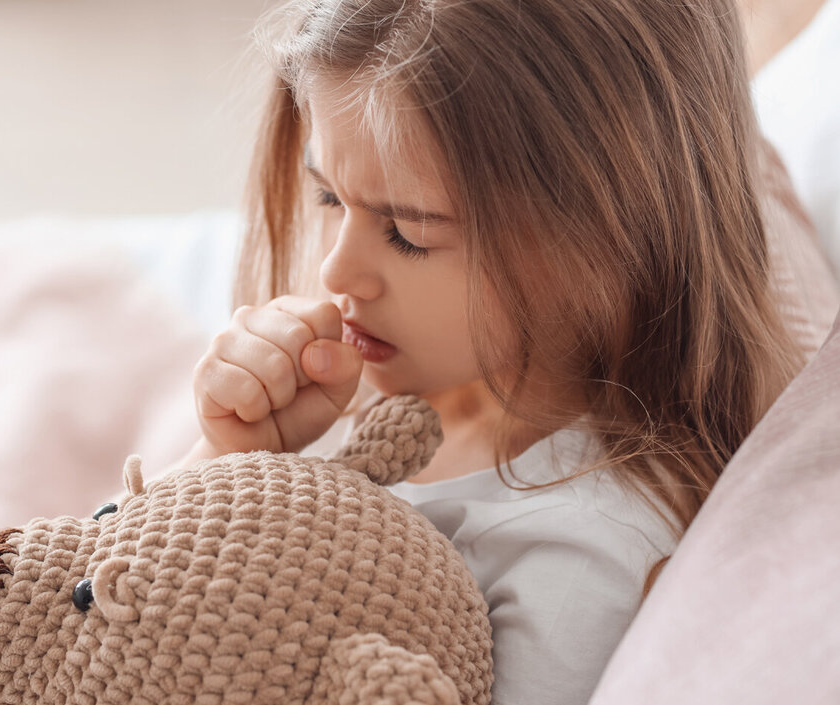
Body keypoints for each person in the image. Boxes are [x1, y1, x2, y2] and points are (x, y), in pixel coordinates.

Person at [177, 0, 806, 702]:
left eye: (407, 232)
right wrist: (223, 458)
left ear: (602, 240)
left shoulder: (578, 548)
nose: (335, 273)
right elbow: (87, 607)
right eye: (329, 197)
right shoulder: (354, 389)